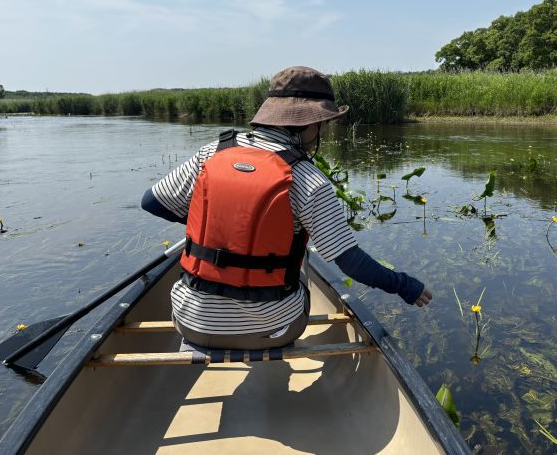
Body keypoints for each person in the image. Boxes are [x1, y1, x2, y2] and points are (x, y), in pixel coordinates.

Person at [141, 66, 432, 350]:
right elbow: (351, 262)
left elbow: (152, 202)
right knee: (300, 253)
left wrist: (217, 226)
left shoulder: (212, 152)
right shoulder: (308, 178)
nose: (323, 132)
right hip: (270, 331)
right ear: (307, 123)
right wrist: (406, 286)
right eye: (323, 124)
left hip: (189, 322)